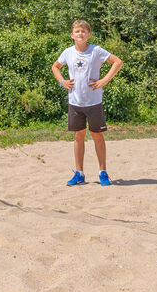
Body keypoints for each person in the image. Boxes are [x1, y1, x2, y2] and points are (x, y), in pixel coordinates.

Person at [51, 20, 123, 186]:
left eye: (83, 31)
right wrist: (62, 82)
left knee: (97, 135)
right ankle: (79, 173)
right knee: (78, 136)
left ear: (89, 34)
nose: (80, 34)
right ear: (72, 35)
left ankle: (103, 172)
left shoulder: (96, 51)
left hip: (94, 101)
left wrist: (104, 80)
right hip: (75, 102)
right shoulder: (68, 53)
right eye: (77, 31)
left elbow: (117, 62)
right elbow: (55, 67)